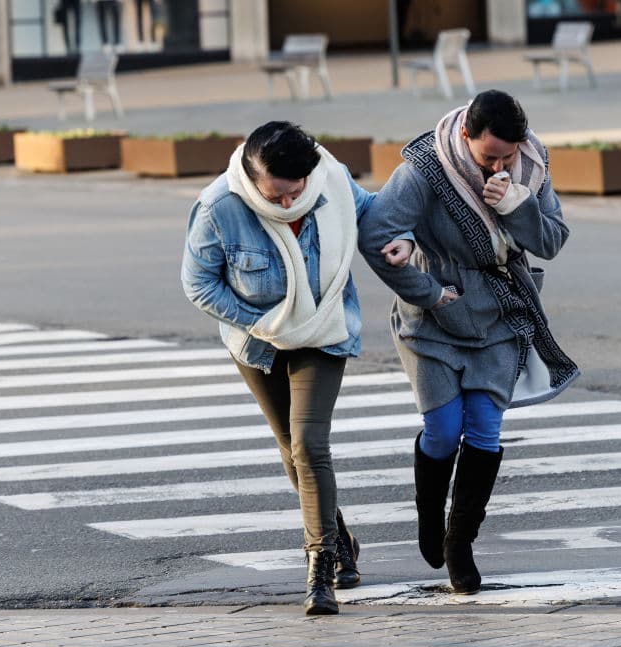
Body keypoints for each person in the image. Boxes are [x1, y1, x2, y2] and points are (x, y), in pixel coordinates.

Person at [359, 90, 579, 595]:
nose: (501, 166)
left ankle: (461, 544)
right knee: (442, 429)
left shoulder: (532, 163)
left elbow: (552, 240)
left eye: (508, 155)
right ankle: (429, 514)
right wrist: (431, 293)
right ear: (465, 136)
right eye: (490, 157)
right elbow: (376, 234)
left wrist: (518, 205)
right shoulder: (426, 167)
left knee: (483, 428)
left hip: (500, 308)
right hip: (434, 312)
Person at [182, 121, 374, 616]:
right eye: (278, 195)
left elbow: (371, 216)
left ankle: (320, 568)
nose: (289, 203)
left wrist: (399, 245)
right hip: (259, 341)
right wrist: (264, 324)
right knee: (291, 448)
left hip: (324, 330)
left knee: (309, 444)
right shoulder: (219, 207)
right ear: (252, 176)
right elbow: (199, 284)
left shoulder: (330, 180)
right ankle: (339, 536)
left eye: (297, 193)